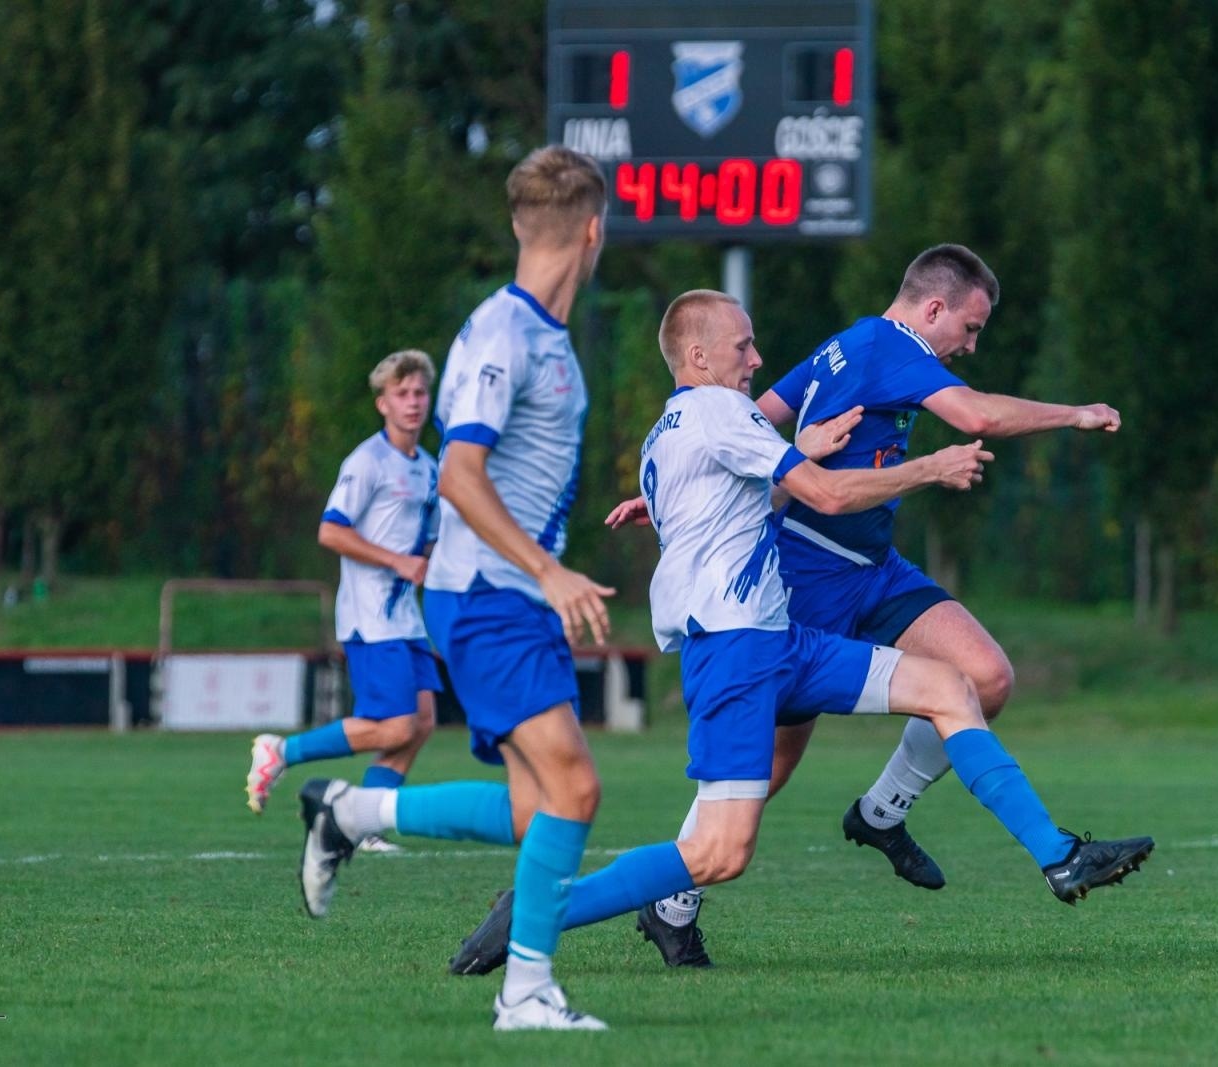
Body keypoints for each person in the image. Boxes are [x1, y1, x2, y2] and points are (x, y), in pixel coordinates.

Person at [442, 290, 1153, 977]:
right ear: (697, 354)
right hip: (733, 652)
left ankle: (1058, 855)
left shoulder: (685, 425)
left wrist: (798, 445)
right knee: (721, 852)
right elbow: (830, 493)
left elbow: (761, 479)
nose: (756, 359)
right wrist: (933, 466)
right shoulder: (719, 411)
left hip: (781, 639)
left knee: (953, 687)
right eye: (742, 345)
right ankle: (539, 906)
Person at [612, 245, 1125, 965]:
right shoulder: (893, 345)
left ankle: (881, 814)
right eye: (971, 329)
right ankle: (670, 902)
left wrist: (675, 481)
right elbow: (976, 415)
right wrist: (1075, 413)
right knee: (768, 764)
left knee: (985, 676)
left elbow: (749, 416)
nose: (970, 346)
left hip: (876, 568)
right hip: (806, 577)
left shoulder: (846, 345)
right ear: (935, 308)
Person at [291, 145, 616, 1032]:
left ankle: (352, 809)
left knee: (532, 807)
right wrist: (549, 570)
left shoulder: (544, 339)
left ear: (520, 225)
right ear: (594, 231)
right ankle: (525, 993)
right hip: (489, 599)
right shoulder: (501, 334)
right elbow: (461, 474)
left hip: (511, 599)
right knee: (575, 792)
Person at [244, 349, 440, 853]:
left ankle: (361, 822)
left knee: (421, 722)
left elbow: (428, 544)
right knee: (395, 725)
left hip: (406, 616)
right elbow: (331, 530)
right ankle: (282, 750)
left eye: (420, 392)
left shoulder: (429, 468)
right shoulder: (368, 460)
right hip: (371, 615)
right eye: (402, 394)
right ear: (383, 404)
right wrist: (397, 563)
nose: (413, 402)